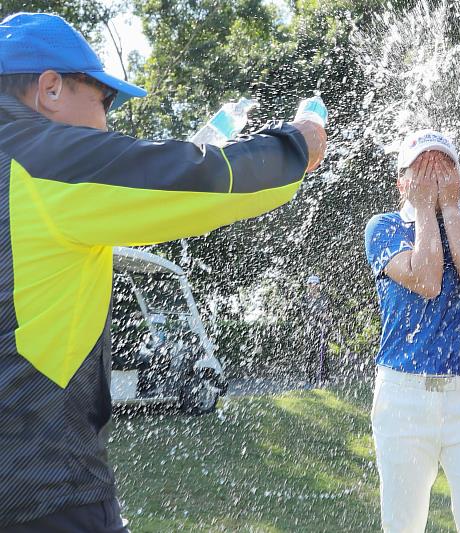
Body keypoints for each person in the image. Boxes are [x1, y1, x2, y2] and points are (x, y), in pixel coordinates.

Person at [0, 12, 326, 532]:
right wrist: (297, 144)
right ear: (50, 88)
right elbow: (197, 176)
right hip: (42, 491)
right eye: (103, 100)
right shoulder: (43, 160)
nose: (108, 121)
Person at [364, 130, 460, 532]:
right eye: (422, 169)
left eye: (443, 167)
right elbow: (427, 279)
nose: (433, 177)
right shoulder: (384, 225)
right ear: (401, 182)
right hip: (403, 396)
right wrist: (425, 210)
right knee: (402, 525)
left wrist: (450, 210)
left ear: (459, 178)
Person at [302, 274, 331, 385]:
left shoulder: (323, 297)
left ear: (318, 285)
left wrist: (327, 317)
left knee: (323, 353)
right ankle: (309, 379)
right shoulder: (304, 298)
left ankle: (324, 379)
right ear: (308, 285)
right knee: (310, 354)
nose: (313, 286)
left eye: (315, 284)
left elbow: (328, 311)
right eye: (311, 284)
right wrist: (319, 314)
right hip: (310, 329)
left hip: (322, 329)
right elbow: (306, 313)